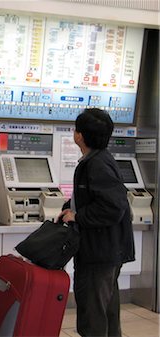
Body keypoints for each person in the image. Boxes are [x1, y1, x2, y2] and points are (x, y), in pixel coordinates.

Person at [58, 108, 135, 337]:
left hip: (99, 253)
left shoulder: (96, 164)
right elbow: (94, 197)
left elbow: (113, 206)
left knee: (93, 316)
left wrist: (78, 216)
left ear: (79, 135)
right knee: (106, 312)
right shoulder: (96, 160)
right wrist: (69, 209)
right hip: (105, 250)